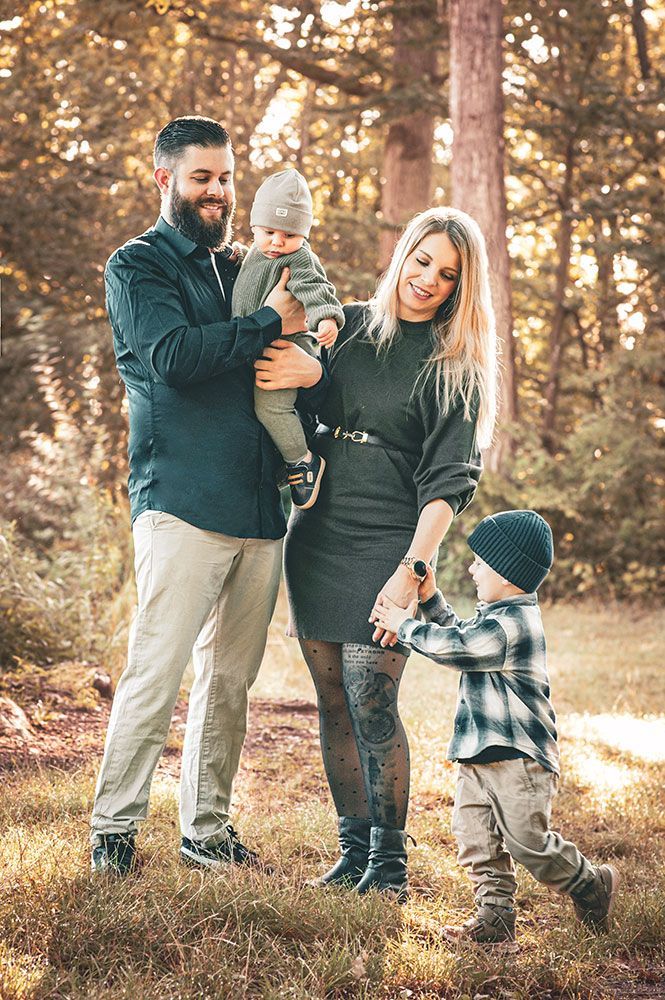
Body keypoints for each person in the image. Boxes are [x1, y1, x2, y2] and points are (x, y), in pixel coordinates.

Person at [90, 115, 327, 875]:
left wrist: (306, 357)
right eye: (202, 177)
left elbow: (300, 357)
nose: (218, 190)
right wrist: (268, 323)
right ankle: (113, 833)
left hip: (261, 508)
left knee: (229, 683)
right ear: (164, 179)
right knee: (156, 674)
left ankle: (207, 831)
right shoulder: (138, 267)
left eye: (226, 176)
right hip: (183, 502)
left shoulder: (249, 263)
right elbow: (174, 359)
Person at [284, 207, 497, 900]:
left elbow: (449, 479)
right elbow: (297, 402)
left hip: (389, 541)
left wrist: (414, 571)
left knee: (371, 700)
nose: (428, 279)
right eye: (421, 260)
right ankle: (352, 855)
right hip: (317, 533)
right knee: (331, 703)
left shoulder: (453, 361)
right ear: (402, 253)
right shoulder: (344, 326)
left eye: (447, 273)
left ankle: (390, 867)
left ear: (461, 287)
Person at [372, 509, 619, 941]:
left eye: (480, 563)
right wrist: (431, 601)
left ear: (506, 573)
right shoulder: (494, 616)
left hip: (519, 760)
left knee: (527, 842)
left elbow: (459, 648)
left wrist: (404, 624)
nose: (471, 568)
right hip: (478, 755)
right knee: (474, 839)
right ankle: (495, 916)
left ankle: (591, 884)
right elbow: (458, 631)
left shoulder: (514, 624)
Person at [232, 169, 345, 510]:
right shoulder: (257, 250)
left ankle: (302, 460)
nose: (277, 242)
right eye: (268, 232)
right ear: (254, 227)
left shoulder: (299, 259)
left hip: (287, 349)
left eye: (290, 234)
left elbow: (317, 290)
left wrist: (326, 317)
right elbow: (249, 271)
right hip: (256, 344)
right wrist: (235, 255)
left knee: (271, 407)